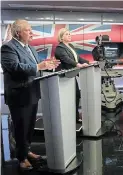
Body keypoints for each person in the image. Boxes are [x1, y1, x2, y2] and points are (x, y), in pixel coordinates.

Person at [1, 19, 60, 170]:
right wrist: (38, 66)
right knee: (21, 127)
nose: (32, 33)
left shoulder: (30, 48)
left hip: (32, 92)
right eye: (28, 30)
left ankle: (26, 150)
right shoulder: (7, 48)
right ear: (18, 32)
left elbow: (36, 66)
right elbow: (15, 67)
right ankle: (21, 159)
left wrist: (47, 64)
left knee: (29, 127)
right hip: (19, 94)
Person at [54, 28, 89, 122]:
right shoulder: (59, 48)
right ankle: (67, 118)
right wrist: (78, 65)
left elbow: (78, 58)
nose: (69, 35)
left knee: (76, 95)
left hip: (72, 75)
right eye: (67, 34)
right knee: (68, 99)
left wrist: (89, 63)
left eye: (70, 34)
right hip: (65, 77)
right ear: (61, 37)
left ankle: (76, 118)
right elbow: (66, 59)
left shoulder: (70, 46)